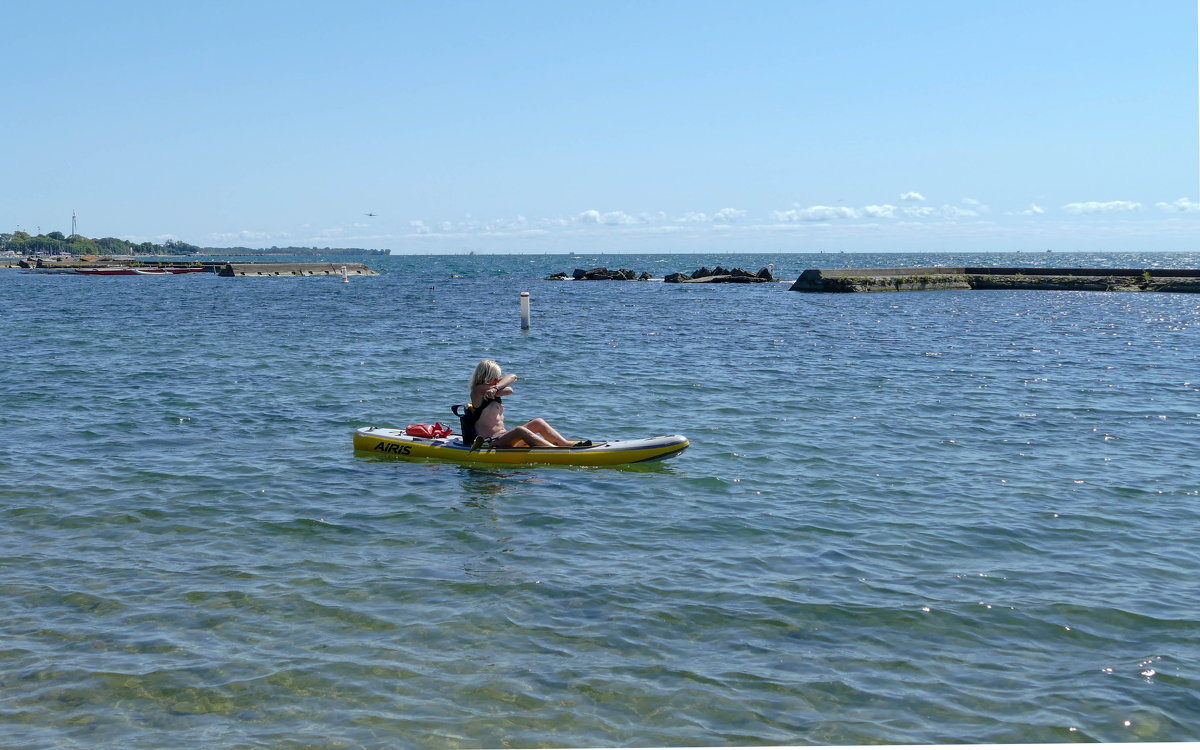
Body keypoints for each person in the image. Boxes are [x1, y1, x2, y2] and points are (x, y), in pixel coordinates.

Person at [468, 359, 580, 448]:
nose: (498, 379)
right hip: (490, 442)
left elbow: (513, 377)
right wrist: (496, 388)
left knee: (538, 422)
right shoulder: (477, 391)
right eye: (495, 377)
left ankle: (566, 445)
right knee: (519, 430)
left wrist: (496, 387)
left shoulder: (495, 389)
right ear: (487, 376)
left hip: (504, 437)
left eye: (498, 377)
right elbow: (508, 390)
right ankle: (554, 451)